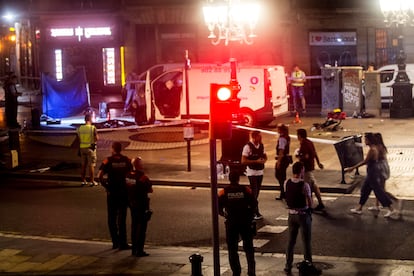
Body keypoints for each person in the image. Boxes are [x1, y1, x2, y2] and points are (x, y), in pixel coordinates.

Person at [345, 132, 398, 218]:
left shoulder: (372, 150)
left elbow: (365, 162)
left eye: (365, 139)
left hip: (373, 172)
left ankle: (391, 209)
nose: (364, 141)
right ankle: (359, 208)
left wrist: (352, 168)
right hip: (372, 171)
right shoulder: (375, 148)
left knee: (378, 191)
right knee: (365, 189)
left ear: (369, 140)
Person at [218, 171, 257, 276]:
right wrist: (250, 215)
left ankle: (236, 271)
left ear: (229, 179)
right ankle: (251, 271)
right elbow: (254, 204)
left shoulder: (223, 191)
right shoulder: (246, 190)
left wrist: (224, 214)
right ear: (238, 179)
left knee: (232, 249)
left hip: (232, 223)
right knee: (249, 248)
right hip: (245, 222)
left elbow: (218, 207)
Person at [284, 162, 320, 275]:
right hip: (303, 214)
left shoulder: (287, 182)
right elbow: (309, 202)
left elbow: (287, 197)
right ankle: (308, 265)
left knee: (291, 241)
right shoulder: (304, 185)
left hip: (291, 215)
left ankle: (288, 265)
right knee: (306, 242)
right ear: (301, 171)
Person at [97, 141, 133, 250]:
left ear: (112, 149)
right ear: (121, 149)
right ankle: (123, 243)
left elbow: (100, 176)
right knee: (122, 218)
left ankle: (115, 242)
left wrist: (107, 186)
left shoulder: (108, 160)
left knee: (112, 218)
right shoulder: (126, 160)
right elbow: (131, 176)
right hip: (123, 192)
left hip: (112, 192)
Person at [126, 157, 153, 257]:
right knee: (141, 229)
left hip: (132, 203)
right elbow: (150, 190)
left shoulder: (128, 175)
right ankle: (140, 250)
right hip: (141, 204)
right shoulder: (143, 177)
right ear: (139, 165)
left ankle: (134, 249)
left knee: (134, 226)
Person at [296, 128, 325, 211]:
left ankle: (309, 206)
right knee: (314, 186)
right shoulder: (309, 142)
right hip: (311, 167)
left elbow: (306, 156)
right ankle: (320, 203)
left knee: (307, 188)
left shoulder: (304, 144)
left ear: (300, 136)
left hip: (306, 168)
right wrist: (318, 162)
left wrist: (298, 157)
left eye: (298, 135)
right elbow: (314, 153)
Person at [241, 130, 267, 220]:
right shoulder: (248, 147)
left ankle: (251, 209)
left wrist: (264, 160)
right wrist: (256, 161)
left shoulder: (262, 146)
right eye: (259, 136)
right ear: (254, 137)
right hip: (251, 172)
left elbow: (265, 155)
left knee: (256, 193)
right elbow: (243, 161)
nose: (261, 138)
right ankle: (254, 212)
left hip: (260, 172)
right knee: (254, 193)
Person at [77, 113, 98, 186]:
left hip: (82, 148)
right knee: (91, 165)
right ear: (90, 119)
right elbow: (97, 138)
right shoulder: (92, 128)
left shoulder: (80, 128)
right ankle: (92, 181)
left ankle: (83, 181)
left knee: (83, 165)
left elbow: (78, 139)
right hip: (90, 149)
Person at [275, 124, 291, 200]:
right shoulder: (287, 137)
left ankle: (283, 193)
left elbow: (281, 151)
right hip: (286, 159)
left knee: (279, 176)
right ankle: (283, 192)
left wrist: (278, 162)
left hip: (283, 159)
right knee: (282, 176)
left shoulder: (282, 139)